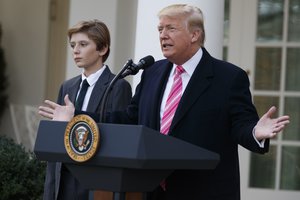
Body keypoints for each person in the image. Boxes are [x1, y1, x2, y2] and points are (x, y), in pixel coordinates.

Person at [39, 4, 290, 200]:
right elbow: (129, 118)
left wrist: (256, 131)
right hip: (151, 190)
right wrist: (79, 118)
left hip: (202, 191)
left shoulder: (228, 76)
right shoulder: (153, 72)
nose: (163, 35)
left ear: (195, 34)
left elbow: (240, 124)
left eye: (171, 28)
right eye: (160, 29)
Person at [42, 19, 132, 200]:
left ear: (102, 49)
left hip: (95, 180)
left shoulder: (118, 86)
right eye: (73, 45)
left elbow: (118, 136)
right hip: (64, 180)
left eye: (83, 44)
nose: (75, 50)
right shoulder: (67, 86)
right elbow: (57, 145)